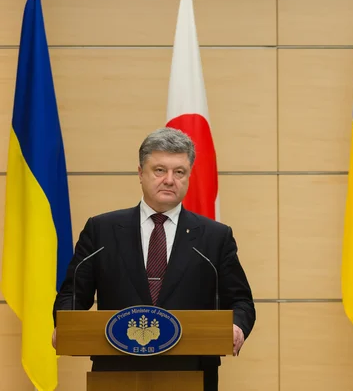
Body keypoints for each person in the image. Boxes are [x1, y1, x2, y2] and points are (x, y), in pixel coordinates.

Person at [52, 127, 255, 391]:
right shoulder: (101, 230)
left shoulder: (214, 237)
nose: (169, 180)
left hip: (192, 373)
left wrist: (237, 327)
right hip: (117, 372)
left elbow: (241, 301)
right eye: (159, 170)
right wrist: (65, 323)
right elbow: (72, 294)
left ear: (189, 176)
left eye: (179, 172)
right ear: (140, 173)